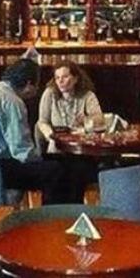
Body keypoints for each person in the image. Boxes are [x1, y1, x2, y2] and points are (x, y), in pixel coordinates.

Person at [0, 58, 66, 204]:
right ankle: (53, 215)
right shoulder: (13, 102)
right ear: (29, 84)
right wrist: (42, 158)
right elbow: (22, 152)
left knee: (53, 162)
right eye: (37, 84)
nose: (37, 89)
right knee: (55, 170)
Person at [37, 62, 103, 202]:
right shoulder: (49, 94)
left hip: (79, 150)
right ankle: (51, 211)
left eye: (65, 77)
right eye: (57, 77)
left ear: (75, 78)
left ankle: (74, 209)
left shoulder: (87, 95)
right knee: (54, 172)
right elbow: (42, 122)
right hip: (56, 148)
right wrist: (50, 136)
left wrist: (86, 121)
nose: (60, 81)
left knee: (77, 172)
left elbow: (99, 120)